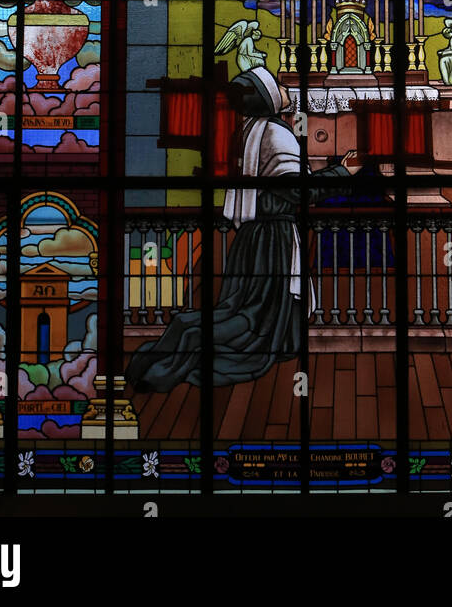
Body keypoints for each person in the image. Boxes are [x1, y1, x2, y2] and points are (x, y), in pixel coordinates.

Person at [125, 67, 359, 392]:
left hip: (251, 238)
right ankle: (169, 363)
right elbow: (297, 191)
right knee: (250, 320)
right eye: (276, 84)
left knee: (241, 309)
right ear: (267, 97)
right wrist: (342, 172)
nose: (283, 86)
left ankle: (163, 354)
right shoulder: (276, 134)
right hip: (272, 242)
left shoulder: (250, 130)